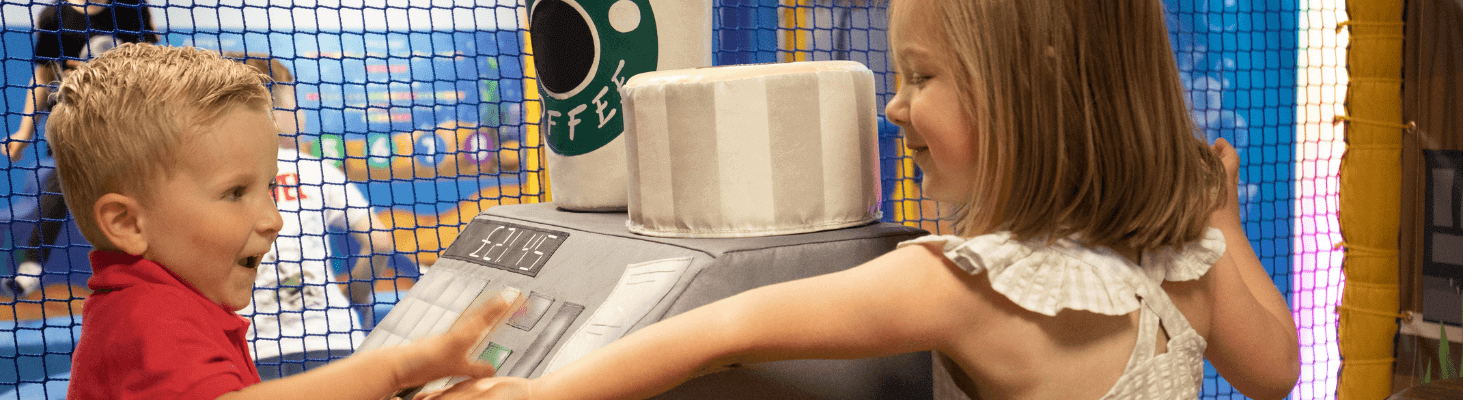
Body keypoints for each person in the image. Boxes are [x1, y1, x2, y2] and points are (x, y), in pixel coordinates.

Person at [423, 0, 1299, 399]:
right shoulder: (1181, 259)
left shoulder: (973, 282)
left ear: (1032, 92)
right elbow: (1274, 371)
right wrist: (1217, 214)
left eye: (921, 77)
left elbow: (723, 330)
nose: (895, 104)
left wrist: (544, 397)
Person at [50, 43, 512, 399]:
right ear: (129, 224)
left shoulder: (180, 307)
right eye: (235, 193)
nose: (273, 219)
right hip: (332, 340)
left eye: (270, 188)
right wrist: (396, 367)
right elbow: (379, 239)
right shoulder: (148, 325)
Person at [226, 53, 399, 380]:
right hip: (333, 339)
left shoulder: (221, 178)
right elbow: (380, 241)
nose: (303, 113)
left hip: (254, 350)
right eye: (295, 103)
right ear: (271, 116)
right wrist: (356, 295)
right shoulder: (316, 170)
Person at [3, 0, 160, 297]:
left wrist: (105, 73)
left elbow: (155, 63)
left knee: (138, 191)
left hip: (123, 121)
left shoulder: (130, 8)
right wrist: (24, 133)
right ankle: (32, 265)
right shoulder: (54, 17)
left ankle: (151, 267)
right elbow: (42, 78)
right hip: (74, 120)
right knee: (61, 183)